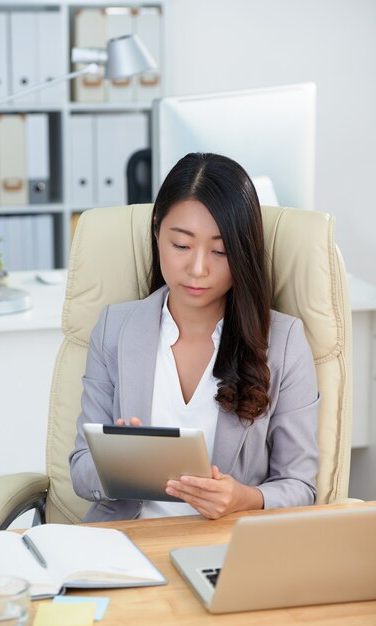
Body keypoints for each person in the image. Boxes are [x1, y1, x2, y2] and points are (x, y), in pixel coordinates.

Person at [70, 152, 319, 523]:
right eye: (182, 246)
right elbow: (79, 470)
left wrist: (244, 498)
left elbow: (300, 484)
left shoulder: (283, 341)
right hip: (126, 540)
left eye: (220, 251)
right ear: (157, 231)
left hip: (227, 547)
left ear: (243, 251)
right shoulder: (115, 328)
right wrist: (116, 462)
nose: (198, 269)